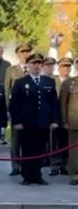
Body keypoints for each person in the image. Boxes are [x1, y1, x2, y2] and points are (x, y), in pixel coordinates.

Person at [10, 53, 61, 186]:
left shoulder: (49, 81)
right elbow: (14, 104)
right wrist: (16, 122)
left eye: (39, 63)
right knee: (27, 149)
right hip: (26, 123)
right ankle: (27, 175)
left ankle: (37, 174)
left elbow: (54, 102)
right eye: (34, 63)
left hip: (43, 122)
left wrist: (55, 120)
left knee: (40, 149)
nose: (37, 66)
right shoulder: (20, 82)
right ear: (28, 65)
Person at [5, 43, 33, 175]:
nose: (25, 54)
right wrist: (7, 110)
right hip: (17, 109)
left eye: (27, 52)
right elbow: (6, 90)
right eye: (22, 52)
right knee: (15, 140)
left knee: (30, 140)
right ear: (18, 54)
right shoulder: (12, 70)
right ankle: (15, 166)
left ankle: (28, 165)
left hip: (31, 111)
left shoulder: (34, 68)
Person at [50, 58, 72, 176]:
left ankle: (66, 165)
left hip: (68, 118)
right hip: (56, 117)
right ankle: (55, 165)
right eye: (64, 66)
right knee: (55, 143)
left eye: (68, 66)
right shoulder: (53, 81)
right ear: (58, 68)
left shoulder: (73, 81)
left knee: (67, 143)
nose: (66, 69)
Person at [60, 58, 78, 186]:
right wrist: (64, 121)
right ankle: (74, 174)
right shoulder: (68, 83)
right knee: (74, 150)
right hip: (74, 122)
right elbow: (63, 105)